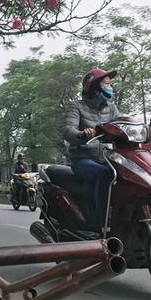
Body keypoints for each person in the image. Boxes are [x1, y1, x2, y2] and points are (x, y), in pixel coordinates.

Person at [61, 68, 120, 231]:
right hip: (83, 160)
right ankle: (101, 224)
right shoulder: (77, 107)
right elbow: (67, 131)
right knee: (104, 173)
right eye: (107, 84)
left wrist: (149, 132)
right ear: (95, 87)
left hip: (107, 158)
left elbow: (123, 126)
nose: (110, 87)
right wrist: (82, 134)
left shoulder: (112, 108)